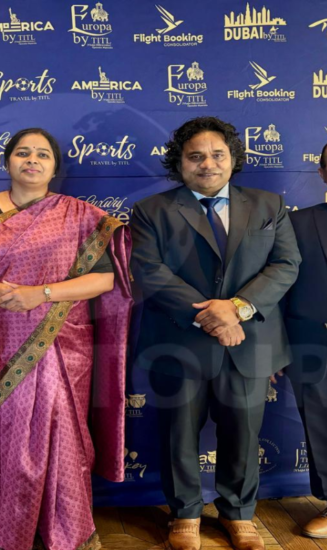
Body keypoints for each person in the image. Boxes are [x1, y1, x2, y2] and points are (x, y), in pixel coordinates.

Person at [0, 128, 132, 550]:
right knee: (7, 438)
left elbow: (103, 279)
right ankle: (8, 531)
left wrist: (40, 294)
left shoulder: (79, 215)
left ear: (54, 166)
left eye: (42, 154)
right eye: (22, 153)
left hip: (63, 342)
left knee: (64, 434)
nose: (32, 160)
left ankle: (67, 531)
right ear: (6, 161)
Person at [130, 117, 300, 550]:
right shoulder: (151, 211)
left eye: (217, 154)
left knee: (243, 435)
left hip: (250, 343)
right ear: (180, 162)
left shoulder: (268, 205)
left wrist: (236, 309)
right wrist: (213, 317)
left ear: (232, 159)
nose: (208, 164)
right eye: (196, 156)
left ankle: (238, 514)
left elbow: (286, 265)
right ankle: (184, 514)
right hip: (177, 341)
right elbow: (150, 272)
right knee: (178, 435)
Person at [284, 142, 327, 538]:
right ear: (322, 173)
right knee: (321, 422)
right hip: (312, 342)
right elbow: (279, 287)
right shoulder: (297, 223)